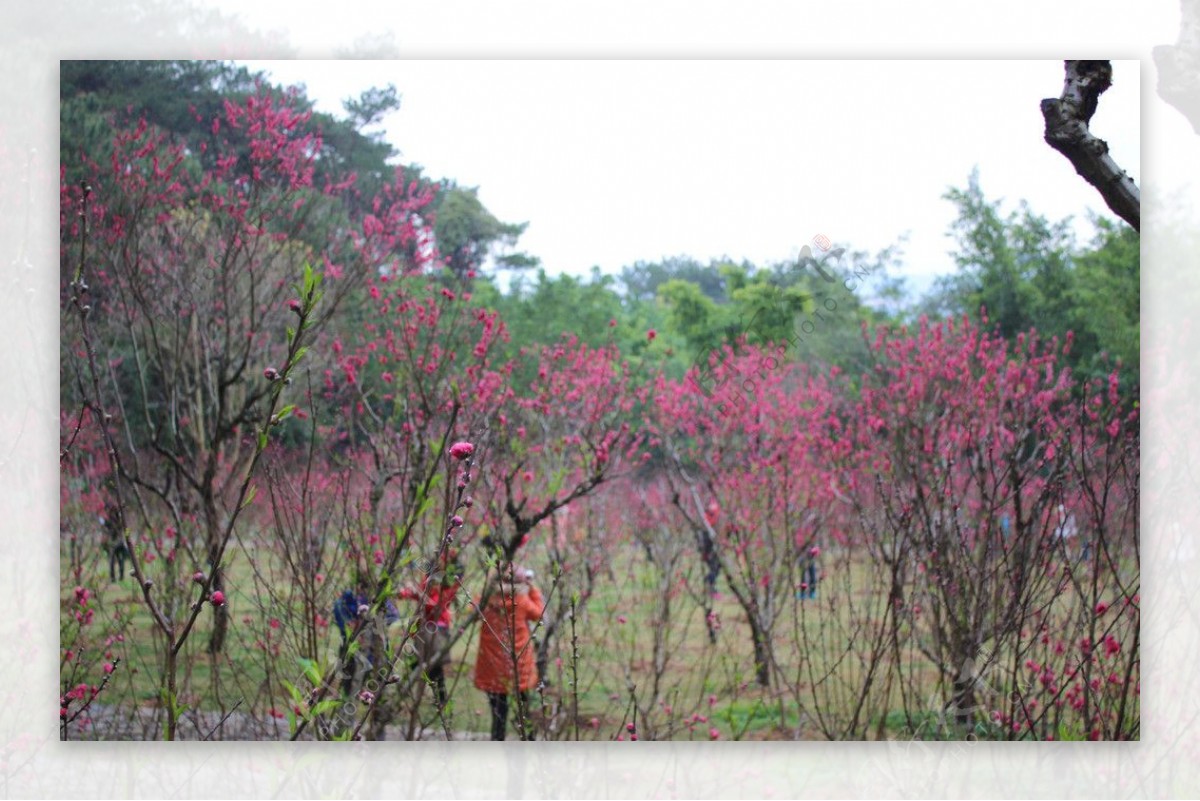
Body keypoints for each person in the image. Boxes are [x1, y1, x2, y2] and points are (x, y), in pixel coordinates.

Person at [473, 565, 544, 740]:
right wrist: (533, 588)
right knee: (524, 712)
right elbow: (539, 614)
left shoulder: (487, 599)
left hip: (492, 668)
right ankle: (528, 741)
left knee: (498, 716)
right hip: (517, 666)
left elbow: (472, 609)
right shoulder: (521, 600)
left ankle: (497, 743)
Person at [397, 551, 462, 709]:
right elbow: (418, 593)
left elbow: (435, 605)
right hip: (425, 629)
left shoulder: (447, 586)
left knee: (433, 666)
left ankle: (439, 698)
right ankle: (407, 691)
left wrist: (419, 594)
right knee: (420, 663)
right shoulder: (428, 582)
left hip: (437, 630)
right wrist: (402, 592)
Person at [333, 581, 400, 698]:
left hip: (373, 652)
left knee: (375, 680)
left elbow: (394, 618)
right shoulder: (347, 599)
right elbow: (340, 613)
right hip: (352, 650)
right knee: (348, 680)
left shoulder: (381, 602)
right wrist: (351, 628)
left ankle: (373, 700)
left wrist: (379, 627)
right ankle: (348, 698)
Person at [100, 504, 129, 583]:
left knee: (118, 560)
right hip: (117, 542)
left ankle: (117, 577)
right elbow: (126, 529)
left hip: (116, 543)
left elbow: (126, 529)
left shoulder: (113, 520)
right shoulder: (117, 520)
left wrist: (127, 537)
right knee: (117, 560)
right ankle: (116, 577)